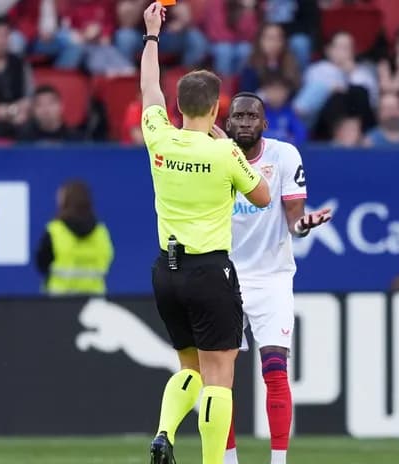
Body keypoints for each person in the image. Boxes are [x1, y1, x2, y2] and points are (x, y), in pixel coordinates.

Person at [138, 3, 271, 464]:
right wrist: (223, 144)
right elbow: (263, 196)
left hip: (166, 271)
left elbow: (148, 89)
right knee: (219, 376)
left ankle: (162, 433)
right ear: (216, 108)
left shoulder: (159, 137)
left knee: (187, 367)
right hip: (210, 269)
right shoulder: (224, 154)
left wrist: (152, 35)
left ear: (178, 107)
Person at [222, 92, 332, 464]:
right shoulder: (214, 156)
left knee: (274, 369)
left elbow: (293, 220)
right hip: (224, 277)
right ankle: (228, 459)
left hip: (272, 277)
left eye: (253, 116)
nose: (246, 122)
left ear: (265, 124)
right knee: (221, 379)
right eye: (238, 116)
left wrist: (305, 226)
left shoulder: (284, 156)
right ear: (227, 122)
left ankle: (279, 460)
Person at [35, 180, 115, 296]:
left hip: (59, 301)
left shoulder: (55, 231)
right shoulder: (101, 232)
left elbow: (42, 263)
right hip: (94, 301)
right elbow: (108, 258)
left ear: (65, 201)